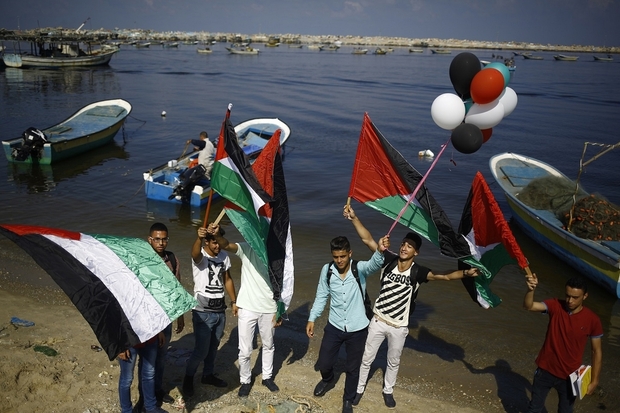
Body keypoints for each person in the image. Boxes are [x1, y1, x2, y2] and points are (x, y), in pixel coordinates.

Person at [344, 205, 479, 409]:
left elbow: (444, 276)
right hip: (378, 320)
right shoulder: (388, 260)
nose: (404, 247)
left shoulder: (418, 272)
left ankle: (388, 390)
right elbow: (368, 240)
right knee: (366, 358)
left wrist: (465, 274)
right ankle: (359, 389)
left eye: (409, 246)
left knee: (393, 361)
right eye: (403, 244)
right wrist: (354, 218)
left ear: (416, 252)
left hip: (399, 326)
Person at [306, 218, 389, 413]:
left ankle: (347, 400)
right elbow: (321, 296)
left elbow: (374, 265)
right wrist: (312, 318)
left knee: (353, 368)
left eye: (343, 256)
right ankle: (328, 379)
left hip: (358, 328)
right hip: (334, 326)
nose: (339, 260)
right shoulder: (327, 271)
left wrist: (380, 250)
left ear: (349, 253)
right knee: (324, 363)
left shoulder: (357, 269)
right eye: (336, 257)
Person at [206, 221, 282, 397]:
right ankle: (245, 380)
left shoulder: (277, 254)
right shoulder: (247, 248)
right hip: (247, 306)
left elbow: (283, 283)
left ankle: (267, 377)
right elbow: (226, 245)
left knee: (269, 344)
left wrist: (280, 310)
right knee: (245, 349)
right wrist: (217, 235)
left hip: (269, 307)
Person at [523, 273, 603, 413]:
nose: (570, 300)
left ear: (585, 296)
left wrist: (594, 380)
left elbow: (596, 351)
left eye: (575, 297)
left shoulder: (593, 320)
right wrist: (531, 290)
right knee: (534, 408)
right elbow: (529, 306)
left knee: (565, 411)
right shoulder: (555, 305)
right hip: (545, 371)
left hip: (570, 377)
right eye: (567, 295)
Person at [134, 223, 185, 411]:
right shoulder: (142, 260)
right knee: (147, 361)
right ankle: (143, 398)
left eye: (164, 239)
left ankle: (157, 390)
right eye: (157, 239)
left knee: (161, 358)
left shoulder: (172, 259)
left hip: (166, 318)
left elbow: (177, 287)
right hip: (147, 320)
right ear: (150, 239)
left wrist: (180, 315)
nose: (161, 242)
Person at [182, 226, 238, 397]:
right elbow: (194, 253)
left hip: (220, 309)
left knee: (214, 346)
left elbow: (227, 279)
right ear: (207, 241)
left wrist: (234, 301)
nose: (217, 246)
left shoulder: (224, 256)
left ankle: (208, 374)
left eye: (219, 242)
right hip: (202, 311)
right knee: (201, 350)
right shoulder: (201, 256)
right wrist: (198, 238)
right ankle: (188, 379)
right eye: (214, 242)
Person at [118, 333, 168, 413]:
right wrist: (119, 344)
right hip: (128, 342)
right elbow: (115, 322)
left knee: (149, 374)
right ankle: (126, 410)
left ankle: (150, 407)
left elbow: (155, 319)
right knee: (127, 379)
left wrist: (159, 331)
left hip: (150, 339)